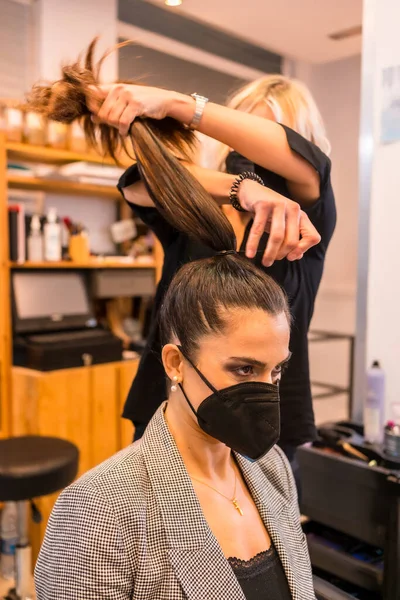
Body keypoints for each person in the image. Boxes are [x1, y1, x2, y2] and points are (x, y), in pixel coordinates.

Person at [34, 246, 315, 600]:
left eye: (276, 370)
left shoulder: (273, 468)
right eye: (244, 369)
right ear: (175, 363)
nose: (265, 390)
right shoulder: (101, 508)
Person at [92, 75, 336, 468]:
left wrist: (175, 102)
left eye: (262, 137)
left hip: (265, 422)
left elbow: (310, 166)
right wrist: (241, 188)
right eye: (240, 135)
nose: (248, 151)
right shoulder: (195, 212)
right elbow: (139, 182)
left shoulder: (304, 224)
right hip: (172, 410)